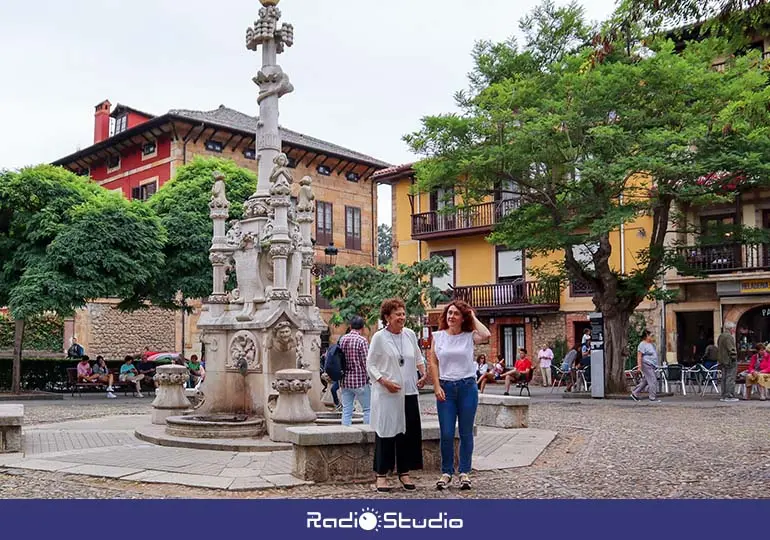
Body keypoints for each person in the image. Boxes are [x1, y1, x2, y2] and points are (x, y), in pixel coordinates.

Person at [428, 300, 491, 491]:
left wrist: (471, 315)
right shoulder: (438, 336)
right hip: (446, 387)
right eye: (449, 313)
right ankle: (446, 472)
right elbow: (433, 362)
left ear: (462, 317)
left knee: (465, 432)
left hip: (467, 387)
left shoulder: (469, 336)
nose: (451, 316)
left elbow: (487, 334)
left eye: (456, 313)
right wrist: (436, 386)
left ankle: (464, 472)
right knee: (446, 432)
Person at [366, 298, 427, 492]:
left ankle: (404, 472)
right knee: (385, 433)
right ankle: (381, 475)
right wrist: (383, 381)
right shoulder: (379, 337)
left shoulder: (409, 334)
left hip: (408, 391)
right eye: (398, 314)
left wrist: (423, 374)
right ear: (387, 317)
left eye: (403, 314)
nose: (402, 317)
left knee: (407, 434)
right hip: (387, 393)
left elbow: (418, 357)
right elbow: (370, 365)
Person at [338, 315, 371, 426]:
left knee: (347, 410)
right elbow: (367, 362)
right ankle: (368, 433)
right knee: (367, 409)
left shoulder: (343, 339)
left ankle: (345, 434)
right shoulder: (362, 341)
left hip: (345, 380)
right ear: (362, 328)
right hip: (360, 381)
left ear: (350, 326)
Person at [630, 330, 661, 403]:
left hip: (652, 365)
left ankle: (635, 393)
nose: (652, 337)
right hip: (646, 364)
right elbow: (639, 355)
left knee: (646, 381)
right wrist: (639, 366)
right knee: (652, 380)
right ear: (646, 336)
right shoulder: (642, 344)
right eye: (651, 336)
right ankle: (652, 397)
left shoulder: (651, 344)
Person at [717, 322, 739, 402]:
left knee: (724, 378)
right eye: (733, 328)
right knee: (730, 378)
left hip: (722, 360)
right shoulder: (729, 337)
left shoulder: (721, 336)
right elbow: (731, 349)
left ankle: (724, 395)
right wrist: (734, 358)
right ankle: (729, 395)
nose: (734, 330)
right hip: (729, 360)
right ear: (731, 329)